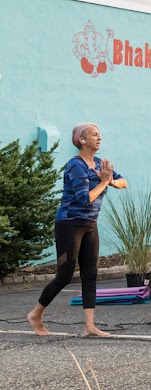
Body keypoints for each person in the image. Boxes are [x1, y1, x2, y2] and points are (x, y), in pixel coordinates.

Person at [27, 123, 127, 337]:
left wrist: (110, 181)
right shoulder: (76, 165)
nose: (99, 137)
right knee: (64, 276)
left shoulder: (99, 164)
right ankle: (35, 314)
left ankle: (89, 326)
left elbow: (123, 182)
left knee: (90, 275)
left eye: (99, 134)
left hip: (90, 225)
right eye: (94, 134)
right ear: (81, 140)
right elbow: (84, 199)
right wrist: (104, 182)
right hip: (69, 225)